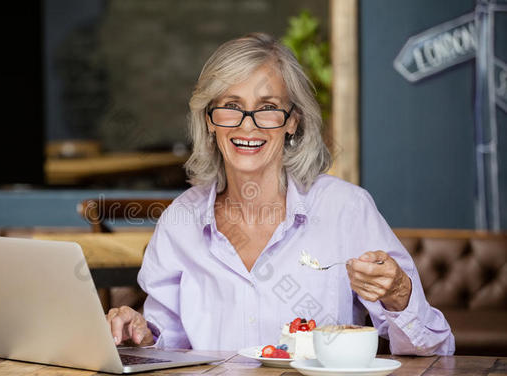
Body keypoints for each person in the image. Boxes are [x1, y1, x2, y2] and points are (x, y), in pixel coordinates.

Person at [106, 32, 455, 355]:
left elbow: (436, 352)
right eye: (231, 105)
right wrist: (142, 334)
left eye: (268, 107)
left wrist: (398, 296)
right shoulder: (179, 222)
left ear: (293, 120)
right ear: (210, 119)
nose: (247, 124)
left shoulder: (345, 209)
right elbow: (165, 343)